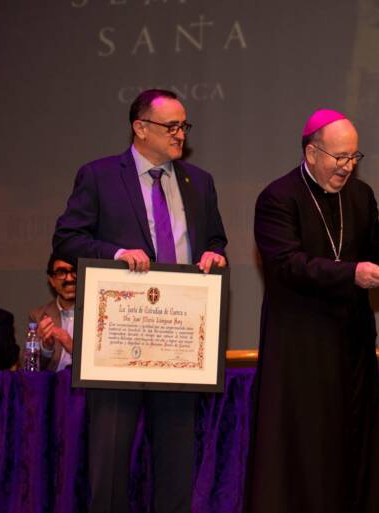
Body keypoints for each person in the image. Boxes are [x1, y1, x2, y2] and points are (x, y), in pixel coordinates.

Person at [52, 89, 228, 513]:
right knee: (110, 467)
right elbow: (66, 238)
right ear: (140, 127)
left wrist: (214, 254)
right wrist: (114, 254)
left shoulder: (199, 182)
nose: (180, 133)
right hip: (118, 344)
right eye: (172, 126)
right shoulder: (98, 176)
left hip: (179, 343)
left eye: (185, 125)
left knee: (176, 467)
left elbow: (216, 239)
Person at [245, 109, 379, 513]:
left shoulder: (361, 196)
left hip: (352, 345)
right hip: (302, 347)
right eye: (339, 157)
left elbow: (376, 256)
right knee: (307, 449)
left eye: (354, 157)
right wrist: (352, 273)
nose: (348, 167)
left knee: (355, 443)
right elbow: (287, 265)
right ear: (312, 152)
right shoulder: (278, 198)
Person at [27, 254, 76, 372]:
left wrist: (71, 345)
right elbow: (28, 367)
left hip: (85, 388)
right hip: (53, 385)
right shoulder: (38, 315)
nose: (69, 279)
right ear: (52, 281)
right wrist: (46, 348)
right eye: (61, 273)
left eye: (74, 271)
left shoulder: (98, 312)